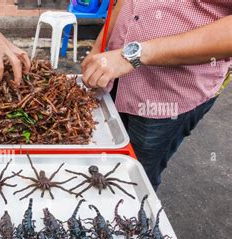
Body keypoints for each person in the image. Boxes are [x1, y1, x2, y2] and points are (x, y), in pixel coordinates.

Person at [81, 0, 232, 190]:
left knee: (135, 179)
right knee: (101, 149)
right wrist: (100, 47)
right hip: (112, 73)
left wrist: (132, 55)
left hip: (167, 94)